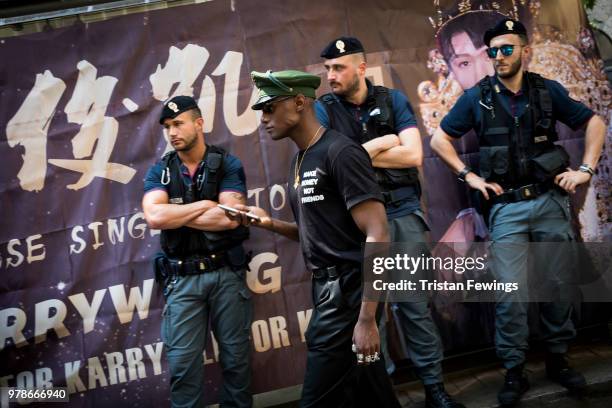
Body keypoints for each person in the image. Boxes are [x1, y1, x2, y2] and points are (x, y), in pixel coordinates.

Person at [430, 19, 606, 407]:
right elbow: (439, 139)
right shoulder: (476, 97)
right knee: (511, 293)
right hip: (506, 208)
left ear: (525, 52)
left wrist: (585, 170)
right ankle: (515, 370)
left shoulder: (546, 91)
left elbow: (593, 122)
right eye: (492, 51)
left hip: (548, 202)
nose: (498, 57)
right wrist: (468, 175)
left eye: (506, 49)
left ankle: (558, 360)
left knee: (559, 284)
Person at [232, 69, 400, 408]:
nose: (263, 119)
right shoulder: (299, 159)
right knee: (371, 391)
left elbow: (378, 232)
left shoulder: (341, 153)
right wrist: (270, 224)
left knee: (315, 401)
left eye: (269, 108)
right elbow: (320, 236)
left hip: (350, 293)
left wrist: (367, 319)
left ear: (298, 102)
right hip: (328, 291)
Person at [315, 36, 465, 408]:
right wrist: (383, 143)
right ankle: (379, 397)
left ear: (361, 68)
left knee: (414, 306)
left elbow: (413, 155)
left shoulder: (392, 100)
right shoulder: (323, 110)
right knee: (370, 316)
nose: (331, 75)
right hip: (357, 224)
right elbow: (331, 165)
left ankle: (435, 389)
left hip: (400, 212)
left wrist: (358, 155)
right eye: (327, 69)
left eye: (338, 67)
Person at [142, 96, 253, 408]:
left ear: (199, 123)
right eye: (167, 127)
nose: (171, 132)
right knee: (183, 368)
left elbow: (230, 218)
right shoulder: (160, 172)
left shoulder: (227, 164)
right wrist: (205, 205)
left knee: (237, 363)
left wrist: (180, 213)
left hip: (226, 276)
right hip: (182, 281)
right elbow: (154, 217)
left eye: (178, 124)